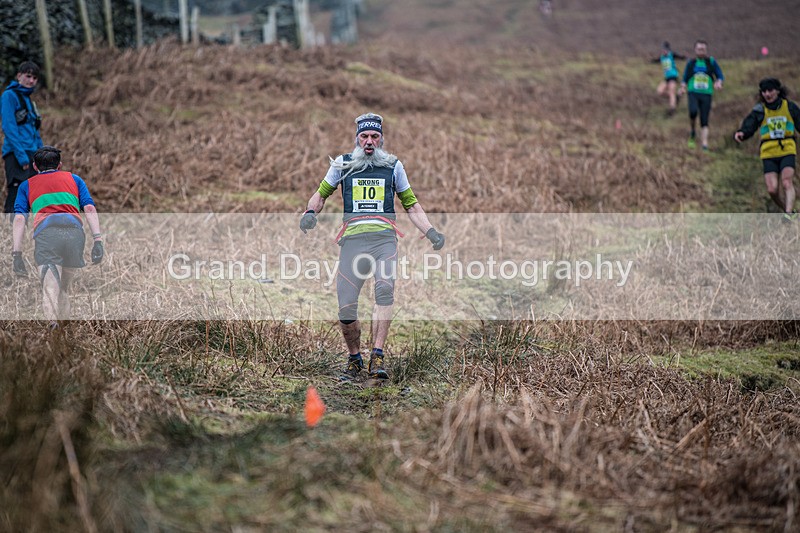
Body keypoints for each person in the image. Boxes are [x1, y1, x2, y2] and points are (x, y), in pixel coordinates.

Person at [300, 113, 445, 382]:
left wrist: (431, 231)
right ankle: (354, 358)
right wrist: (310, 213)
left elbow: (411, 205)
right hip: (353, 242)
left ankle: (377, 356)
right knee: (346, 307)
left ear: (381, 139)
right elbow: (320, 194)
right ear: (357, 139)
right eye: (364, 136)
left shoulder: (393, 167)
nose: (369, 141)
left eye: (374, 136)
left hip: (383, 241)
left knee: (384, 291)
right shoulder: (343, 164)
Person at [11, 146, 104, 324]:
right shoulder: (75, 179)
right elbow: (89, 208)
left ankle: (53, 336)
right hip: (75, 235)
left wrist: (17, 253)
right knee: (63, 289)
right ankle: (64, 334)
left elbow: (19, 219)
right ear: (59, 165)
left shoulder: (26, 186)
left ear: (35, 166)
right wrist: (98, 240)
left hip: (48, 236)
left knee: (50, 289)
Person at [734, 78, 800, 219]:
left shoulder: (789, 107)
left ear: (778, 91)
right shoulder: (760, 110)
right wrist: (742, 133)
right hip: (768, 152)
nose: (767, 94)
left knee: (787, 182)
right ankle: (788, 211)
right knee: (772, 190)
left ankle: (788, 214)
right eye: (764, 91)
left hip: (787, 149)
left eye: (770, 90)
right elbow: (750, 124)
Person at [2, 61, 44, 219]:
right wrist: (21, 156)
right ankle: (10, 230)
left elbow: (35, 131)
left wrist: (41, 155)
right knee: (16, 194)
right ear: (19, 76)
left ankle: (25, 231)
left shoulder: (28, 100)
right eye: (28, 76)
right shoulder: (9, 96)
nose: (31, 80)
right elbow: (9, 127)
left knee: (30, 197)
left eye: (35, 78)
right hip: (16, 154)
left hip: (32, 154)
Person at [679, 40, 724, 151]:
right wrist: (682, 88)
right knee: (693, 112)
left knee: (704, 118)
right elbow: (685, 78)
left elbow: (719, 75)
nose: (701, 51)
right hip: (693, 93)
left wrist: (718, 83)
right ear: (695, 50)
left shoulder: (711, 62)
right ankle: (693, 131)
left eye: (703, 49)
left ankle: (704, 144)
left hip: (706, 94)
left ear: (706, 50)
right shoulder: (691, 63)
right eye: (699, 49)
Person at [653, 41, 686, 116]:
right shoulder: (662, 57)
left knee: (671, 92)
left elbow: (680, 57)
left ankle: (672, 110)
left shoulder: (672, 54)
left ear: (668, 50)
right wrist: (651, 61)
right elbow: (656, 60)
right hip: (667, 78)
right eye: (662, 50)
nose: (663, 51)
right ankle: (675, 97)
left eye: (665, 50)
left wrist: (684, 57)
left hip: (673, 77)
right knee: (659, 91)